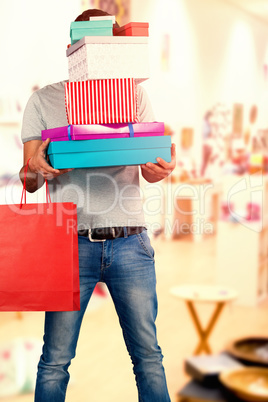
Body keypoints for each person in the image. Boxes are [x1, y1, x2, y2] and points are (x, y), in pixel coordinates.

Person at [19, 8, 176, 402]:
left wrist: (159, 171)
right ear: (73, 49)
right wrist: (35, 167)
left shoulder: (134, 94)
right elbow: (29, 180)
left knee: (148, 356)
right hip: (68, 245)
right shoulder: (43, 101)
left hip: (130, 243)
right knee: (55, 360)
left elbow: (150, 165)